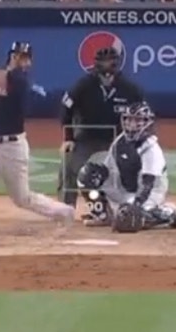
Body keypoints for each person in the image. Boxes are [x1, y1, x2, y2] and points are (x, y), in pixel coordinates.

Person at [0, 41, 76, 247]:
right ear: (11, 56)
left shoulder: (20, 81)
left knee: (21, 198)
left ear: (29, 63)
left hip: (12, 146)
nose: (21, 60)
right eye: (18, 55)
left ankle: (62, 211)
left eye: (25, 57)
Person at [57, 45, 146, 212]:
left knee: (130, 169)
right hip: (86, 138)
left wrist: (137, 142)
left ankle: (131, 205)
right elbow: (65, 109)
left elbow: (144, 115)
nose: (106, 68)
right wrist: (68, 138)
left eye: (110, 62)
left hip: (117, 141)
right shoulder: (83, 85)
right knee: (69, 163)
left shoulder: (130, 89)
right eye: (103, 62)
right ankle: (65, 208)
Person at [76, 102, 176, 232]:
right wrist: (95, 177)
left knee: (132, 219)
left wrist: (135, 206)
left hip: (150, 194)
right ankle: (103, 215)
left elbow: (148, 185)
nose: (132, 124)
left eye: (137, 120)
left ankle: (169, 213)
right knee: (86, 175)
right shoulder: (119, 142)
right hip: (124, 188)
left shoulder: (151, 148)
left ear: (147, 122)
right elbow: (108, 169)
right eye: (129, 119)